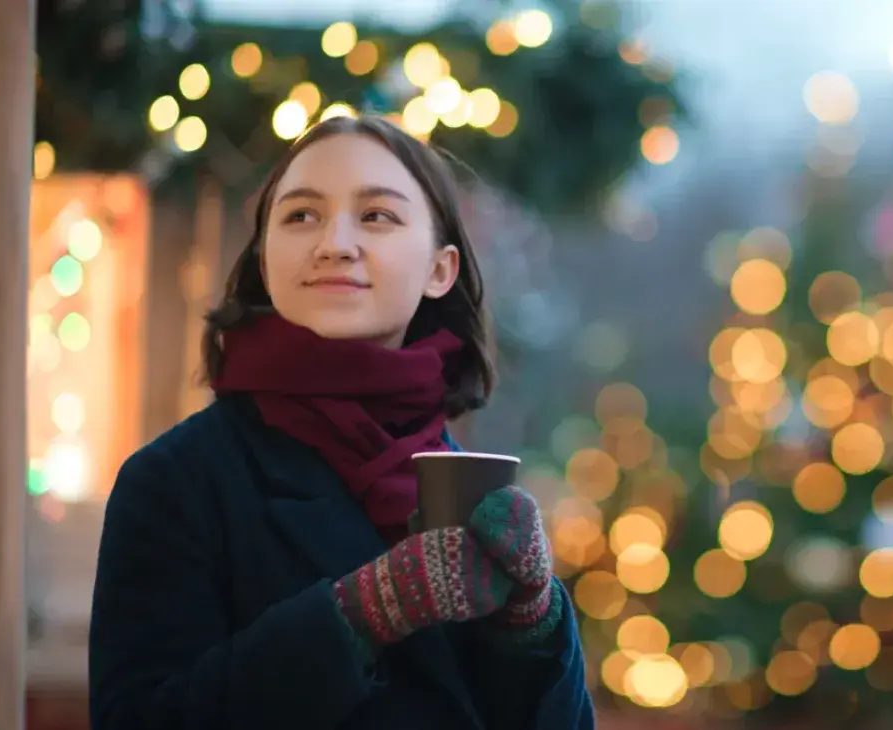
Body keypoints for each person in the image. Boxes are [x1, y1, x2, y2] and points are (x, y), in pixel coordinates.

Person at [88, 116, 594, 730]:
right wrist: (358, 615)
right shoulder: (174, 482)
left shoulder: (459, 479)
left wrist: (535, 626)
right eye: (301, 216)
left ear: (442, 269)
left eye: (377, 216)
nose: (334, 243)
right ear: (266, 260)